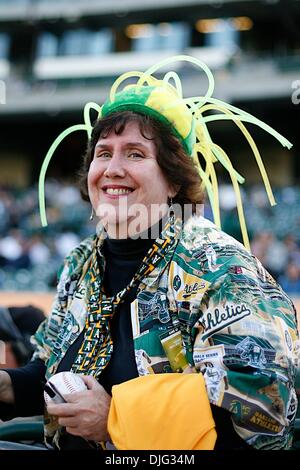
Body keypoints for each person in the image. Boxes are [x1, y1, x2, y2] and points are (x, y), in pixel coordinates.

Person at [0, 56, 298, 451]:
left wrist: (116, 419)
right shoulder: (81, 263)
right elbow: (52, 374)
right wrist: (7, 385)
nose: (112, 168)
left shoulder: (225, 271)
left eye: (135, 154)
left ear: (173, 180)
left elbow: (262, 414)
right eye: (103, 153)